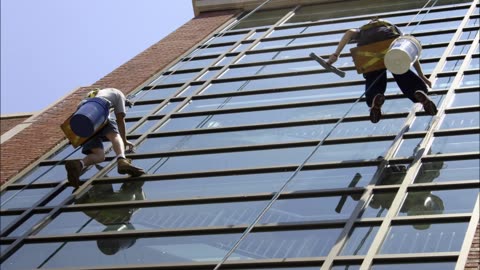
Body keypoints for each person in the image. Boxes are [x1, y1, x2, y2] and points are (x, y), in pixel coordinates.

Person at [327, 18, 438, 123]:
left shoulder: (363, 29)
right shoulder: (390, 27)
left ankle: (375, 97)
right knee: (400, 68)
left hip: (366, 49)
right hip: (390, 43)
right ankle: (417, 91)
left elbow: (349, 32)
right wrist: (422, 76)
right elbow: (410, 56)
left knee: (373, 76)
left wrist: (336, 54)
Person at [65, 88, 145, 188]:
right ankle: (121, 160)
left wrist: (73, 137)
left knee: (99, 156)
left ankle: (78, 164)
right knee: (115, 136)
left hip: (86, 124)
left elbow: (77, 123)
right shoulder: (118, 93)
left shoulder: (84, 102)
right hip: (99, 112)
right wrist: (124, 141)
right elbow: (120, 120)